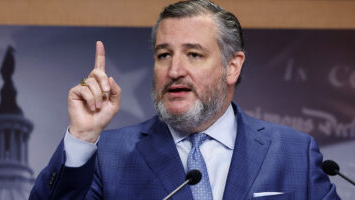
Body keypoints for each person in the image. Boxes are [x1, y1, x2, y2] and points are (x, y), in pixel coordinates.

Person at [29, 0, 339, 199]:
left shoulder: (295, 152)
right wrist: (82, 137)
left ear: (232, 66)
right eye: (164, 55)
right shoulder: (109, 155)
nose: (175, 70)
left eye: (194, 54)